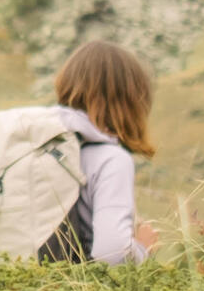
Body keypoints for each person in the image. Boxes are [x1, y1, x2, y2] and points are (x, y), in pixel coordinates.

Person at [42, 39, 161, 262]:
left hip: (7, 286)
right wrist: (142, 248)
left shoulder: (37, 147)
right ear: (130, 99)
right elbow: (111, 256)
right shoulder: (111, 159)